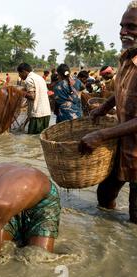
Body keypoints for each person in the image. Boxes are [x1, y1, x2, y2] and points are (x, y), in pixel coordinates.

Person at [79, 2, 137, 224]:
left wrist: (100, 135)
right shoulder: (126, 58)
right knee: (105, 195)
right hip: (123, 144)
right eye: (122, 26)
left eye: (131, 26)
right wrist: (104, 107)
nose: (123, 32)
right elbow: (121, 88)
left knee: (135, 215)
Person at [17, 63, 52, 134]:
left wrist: (20, 92)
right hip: (46, 112)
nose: (19, 76)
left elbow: (32, 96)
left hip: (37, 114)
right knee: (42, 137)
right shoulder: (39, 78)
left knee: (31, 138)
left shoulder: (28, 79)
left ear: (24, 71)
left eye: (19, 73)